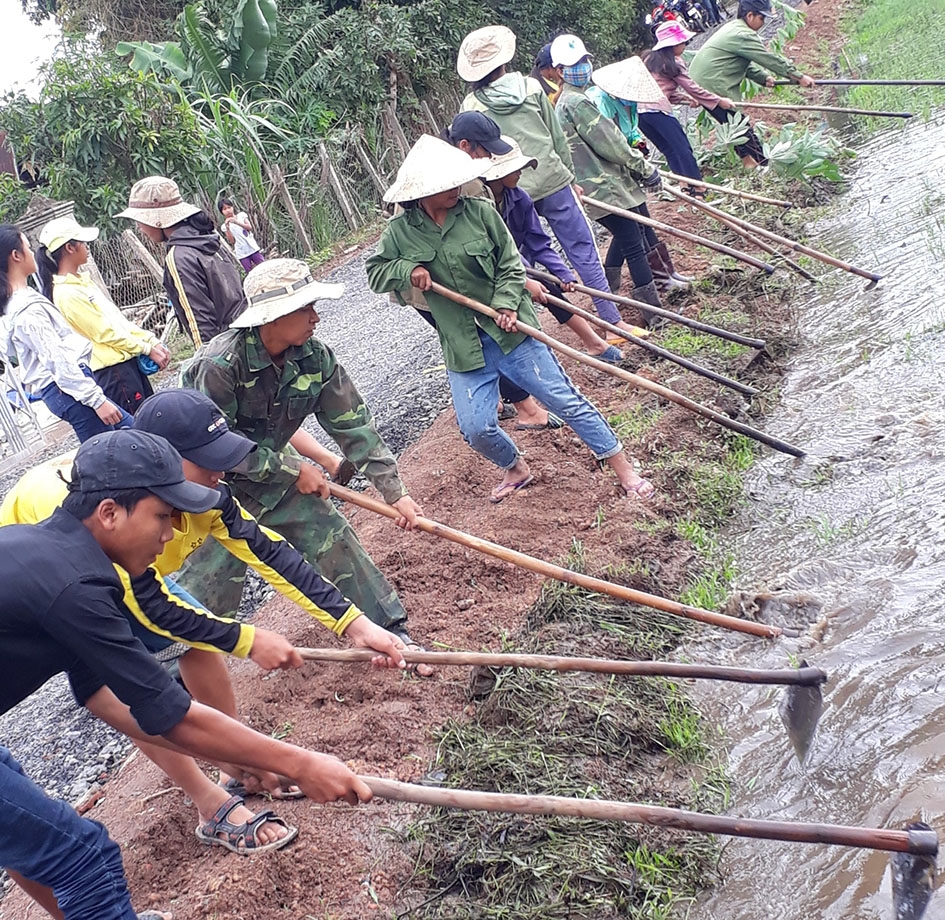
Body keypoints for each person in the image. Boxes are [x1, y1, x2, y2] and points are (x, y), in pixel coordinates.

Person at [0, 428, 375, 919]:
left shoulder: (54, 557)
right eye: (161, 515)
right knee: (82, 854)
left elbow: (108, 696)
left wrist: (240, 758)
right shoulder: (74, 586)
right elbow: (171, 714)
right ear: (110, 513)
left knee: (31, 831)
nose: (173, 532)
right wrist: (301, 764)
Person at [366, 134, 655, 503]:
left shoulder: (480, 213)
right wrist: (408, 269)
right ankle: (515, 468)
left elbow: (509, 265)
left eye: (458, 181)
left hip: (512, 334)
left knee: (564, 400)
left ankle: (623, 468)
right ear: (423, 192)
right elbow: (376, 273)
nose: (456, 188)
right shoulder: (399, 232)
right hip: (462, 345)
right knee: (474, 427)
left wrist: (506, 304)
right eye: (446, 185)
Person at [178, 259, 433, 670]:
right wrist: (295, 470)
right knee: (207, 589)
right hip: (211, 489)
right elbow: (213, 447)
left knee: (334, 540)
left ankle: (390, 631)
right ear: (272, 319)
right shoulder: (219, 367)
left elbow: (354, 425)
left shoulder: (314, 358)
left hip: (276, 479)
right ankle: (172, 679)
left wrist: (396, 492)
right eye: (304, 309)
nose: (315, 316)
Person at [457, 26, 638, 336]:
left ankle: (533, 332)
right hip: (553, 178)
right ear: (504, 60)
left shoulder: (472, 107)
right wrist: (571, 177)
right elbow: (556, 136)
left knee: (521, 264)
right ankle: (612, 320)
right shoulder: (531, 87)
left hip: (510, 189)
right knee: (583, 250)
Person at [550, 36, 673, 327]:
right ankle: (653, 314)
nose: (581, 67)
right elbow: (611, 143)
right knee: (633, 240)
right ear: (558, 71)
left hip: (602, 186)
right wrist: (643, 167)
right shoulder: (577, 103)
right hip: (604, 187)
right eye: (573, 65)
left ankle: (613, 284)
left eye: (582, 61)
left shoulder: (565, 103)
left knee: (628, 234)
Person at [480, 136, 624, 363]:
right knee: (512, 312)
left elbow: (538, 242)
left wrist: (563, 274)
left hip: (513, 262)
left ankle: (595, 344)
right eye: (515, 169)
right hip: (487, 266)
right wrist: (525, 278)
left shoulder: (520, 198)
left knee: (549, 289)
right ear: (497, 173)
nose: (520, 173)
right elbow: (501, 248)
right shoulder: (481, 205)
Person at [0, 224, 133, 442]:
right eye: (27, 247)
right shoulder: (27, 310)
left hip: (68, 389)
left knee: (123, 445)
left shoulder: (18, 302)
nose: (33, 252)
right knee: (109, 459)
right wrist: (97, 400)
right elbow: (57, 359)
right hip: (68, 390)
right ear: (16, 255)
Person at [36, 216, 171, 415]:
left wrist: (149, 340)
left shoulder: (82, 283)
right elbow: (105, 333)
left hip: (125, 365)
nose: (87, 246)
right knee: (141, 427)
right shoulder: (67, 293)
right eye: (81, 242)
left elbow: (117, 321)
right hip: (113, 373)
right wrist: (146, 348)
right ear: (70, 248)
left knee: (152, 417)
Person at [587, 56, 695, 293]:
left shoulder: (628, 102)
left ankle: (660, 273)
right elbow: (609, 142)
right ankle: (658, 281)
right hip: (605, 173)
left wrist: (638, 142)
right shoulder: (598, 103)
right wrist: (641, 166)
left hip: (624, 167)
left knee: (635, 224)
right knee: (634, 227)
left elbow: (629, 130)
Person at [117, 176, 247, 347]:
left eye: (140, 222)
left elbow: (200, 321)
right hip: (244, 333)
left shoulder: (178, 257)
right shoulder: (208, 238)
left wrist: (208, 363)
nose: (140, 229)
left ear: (158, 220)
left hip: (226, 348)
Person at [689, 0, 816, 167]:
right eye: (762, 18)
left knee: (731, 124)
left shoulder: (735, 28)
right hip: (712, 82)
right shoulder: (744, 34)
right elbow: (768, 59)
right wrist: (799, 76)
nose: (763, 23)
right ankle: (764, 163)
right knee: (739, 123)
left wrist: (762, 78)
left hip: (700, 81)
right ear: (750, 16)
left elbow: (741, 62)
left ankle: (749, 162)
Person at [640, 21, 737, 188]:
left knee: (669, 149)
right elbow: (693, 88)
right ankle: (698, 186)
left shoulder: (649, 59)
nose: (685, 45)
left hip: (641, 113)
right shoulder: (673, 62)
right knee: (683, 148)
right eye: (683, 42)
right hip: (658, 112)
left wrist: (684, 99)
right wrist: (719, 100)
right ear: (673, 44)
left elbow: (660, 90)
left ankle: (684, 184)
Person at [218, 197, 266, 272]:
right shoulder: (224, 226)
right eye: (224, 209)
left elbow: (249, 227)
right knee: (250, 272)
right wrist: (227, 228)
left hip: (252, 248)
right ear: (222, 212)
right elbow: (232, 241)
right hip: (242, 253)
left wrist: (236, 222)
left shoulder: (241, 216)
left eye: (229, 207)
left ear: (232, 207)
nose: (228, 210)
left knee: (264, 267)